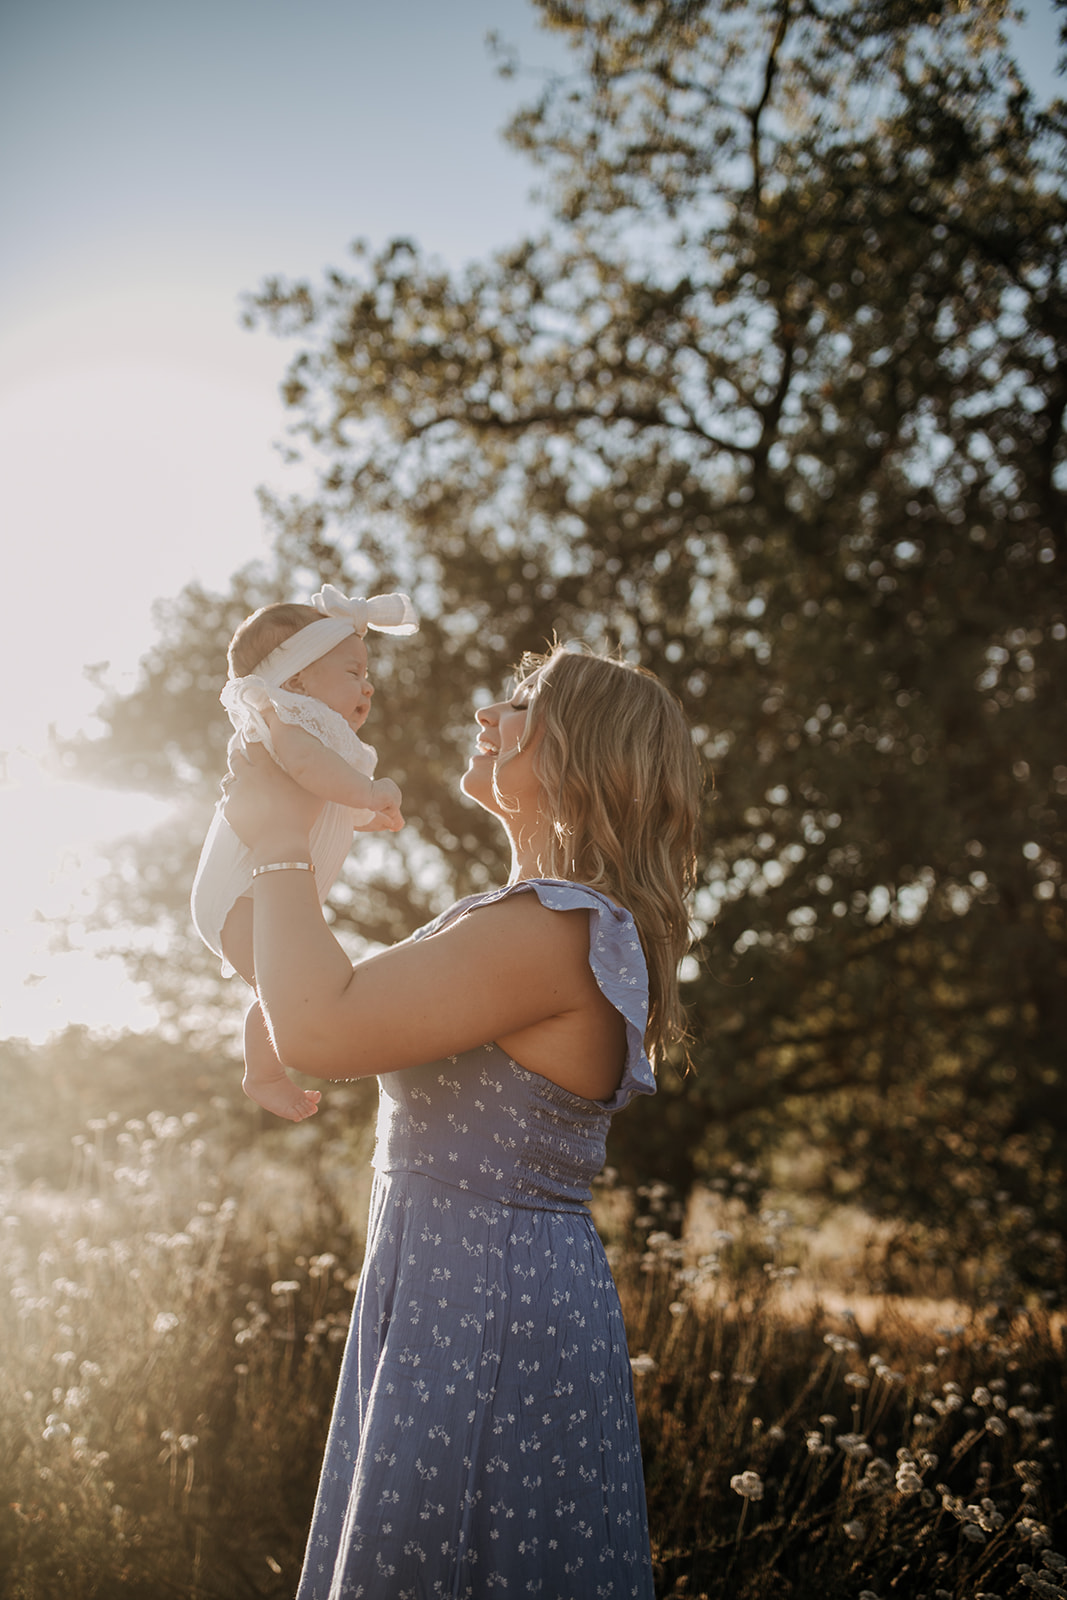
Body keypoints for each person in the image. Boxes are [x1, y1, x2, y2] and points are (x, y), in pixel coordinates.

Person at [220, 642, 702, 1600]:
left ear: (582, 754)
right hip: (463, 1284)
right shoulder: (521, 918)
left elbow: (319, 1026)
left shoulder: (555, 925)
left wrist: (277, 842)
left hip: (481, 1303)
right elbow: (320, 1002)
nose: (489, 714)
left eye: (523, 703)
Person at [191, 582, 417, 1122]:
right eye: (352, 672)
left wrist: (365, 813)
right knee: (292, 988)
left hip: (265, 890)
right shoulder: (287, 718)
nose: (367, 687)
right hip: (239, 894)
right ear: (295, 678)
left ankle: (264, 1070)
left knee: (289, 983)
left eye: (367, 676)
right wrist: (369, 793)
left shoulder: (328, 737)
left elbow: (323, 794)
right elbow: (309, 770)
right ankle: (264, 1073)